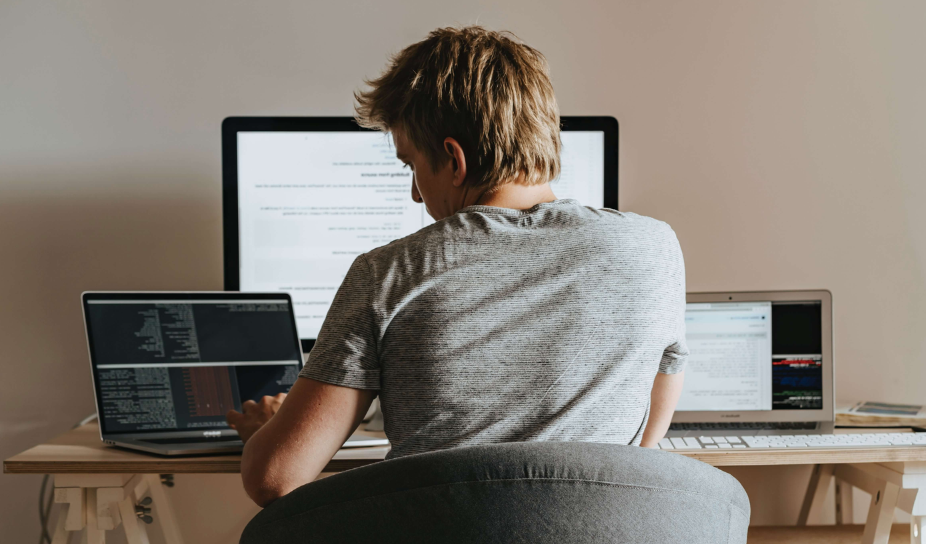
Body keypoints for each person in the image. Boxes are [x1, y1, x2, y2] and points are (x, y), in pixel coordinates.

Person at [227, 26, 688, 507]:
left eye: (411, 166)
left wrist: (267, 432)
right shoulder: (654, 247)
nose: (413, 193)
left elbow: (276, 479)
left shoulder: (388, 272)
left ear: (453, 159)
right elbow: (643, 449)